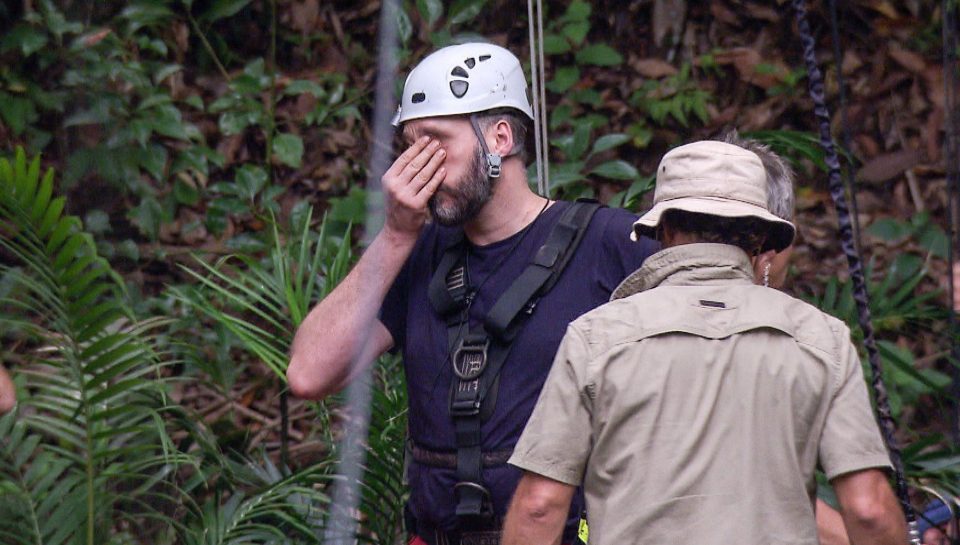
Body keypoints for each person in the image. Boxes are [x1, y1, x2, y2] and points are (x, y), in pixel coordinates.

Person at [287, 41, 658, 545]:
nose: (420, 166)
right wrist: (395, 235)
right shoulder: (415, 252)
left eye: (436, 142)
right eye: (410, 146)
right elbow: (309, 373)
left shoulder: (609, 243)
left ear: (499, 137)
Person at [502, 140, 908, 545]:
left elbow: (540, 506)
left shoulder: (595, 337)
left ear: (664, 230)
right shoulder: (822, 339)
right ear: (758, 239)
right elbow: (868, 509)